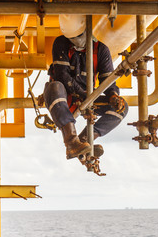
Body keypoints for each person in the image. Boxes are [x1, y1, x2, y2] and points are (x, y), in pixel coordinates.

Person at [43, 14, 128, 160]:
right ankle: (71, 142)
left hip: (88, 98)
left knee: (122, 108)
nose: (75, 41)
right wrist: (85, 96)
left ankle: (83, 142)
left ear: (86, 31)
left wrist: (113, 96)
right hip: (63, 100)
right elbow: (63, 76)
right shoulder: (61, 43)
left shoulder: (101, 50)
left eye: (78, 36)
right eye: (71, 38)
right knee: (54, 86)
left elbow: (107, 82)